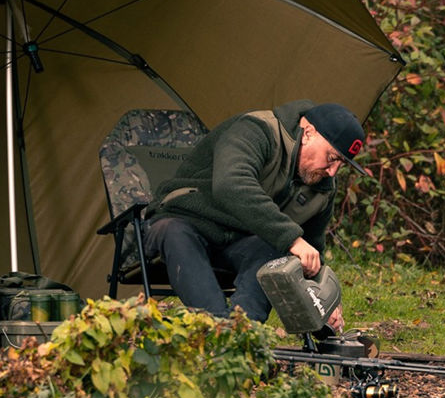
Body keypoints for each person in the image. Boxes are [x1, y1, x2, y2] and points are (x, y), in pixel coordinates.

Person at [143, 99, 366, 330]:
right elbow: (231, 184)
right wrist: (291, 238)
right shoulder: (257, 129)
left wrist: (326, 302)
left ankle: (243, 333)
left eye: (341, 163)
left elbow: (313, 251)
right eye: (331, 158)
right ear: (308, 132)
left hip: (239, 244)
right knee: (175, 232)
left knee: (275, 250)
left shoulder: (323, 187)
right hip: (185, 222)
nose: (332, 171)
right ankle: (219, 333)